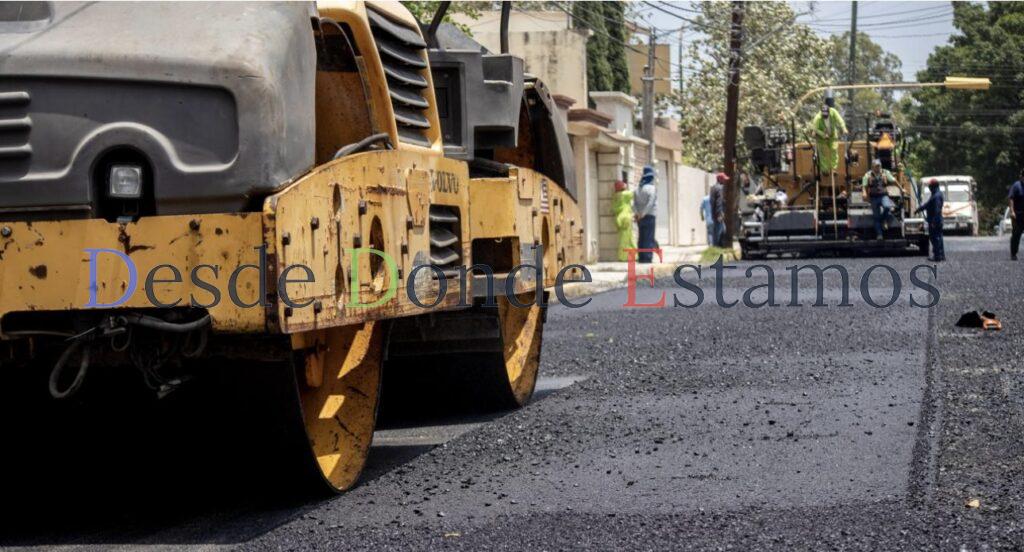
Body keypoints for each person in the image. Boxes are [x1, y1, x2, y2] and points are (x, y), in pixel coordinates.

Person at [861, 159, 897, 240]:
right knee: (876, 217)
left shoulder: (885, 172)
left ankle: (884, 220)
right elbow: (864, 185)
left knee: (887, 207)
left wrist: (901, 189)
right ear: (873, 167)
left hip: (883, 196)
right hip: (873, 198)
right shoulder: (868, 175)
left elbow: (894, 180)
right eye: (876, 166)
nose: (878, 167)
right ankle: (879, 234)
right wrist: (864, 193)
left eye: (879, 166)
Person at [807, 103, 848, 173]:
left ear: (829, 112)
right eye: (824, 115)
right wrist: (823, 135)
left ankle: (833, 168)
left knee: (834, 150)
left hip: (832, 135)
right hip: (821, 137)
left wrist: (844, 128)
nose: (825, 116)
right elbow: (815, 129)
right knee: (822, 153)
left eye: (826, 114)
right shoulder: (818, 118)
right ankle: (825, 170)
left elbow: (840, 120)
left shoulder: (833, 112)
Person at [916, 178, 945, 262]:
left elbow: (937, 210)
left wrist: (933, 221)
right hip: (935, 220)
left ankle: (937, 256)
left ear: (933, 186)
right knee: (939, 237)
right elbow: (927, 205)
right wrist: (919, 209)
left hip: (935, 220)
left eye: (930, 186)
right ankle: (941, 255)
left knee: (935, 238)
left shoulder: (936, 196)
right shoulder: (935, 194)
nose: (929, 187)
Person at [633, 166, 658, 263]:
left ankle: (641, 257)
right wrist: (643, 213)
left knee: (641, 237)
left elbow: (633, 203)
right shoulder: (652, 188)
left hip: (639, 217)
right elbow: (650, 203)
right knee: (649, 237)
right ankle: (647, 257)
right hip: (649, 215)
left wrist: (637, 214)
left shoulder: (637, 189)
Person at [611, 180, 635, 262]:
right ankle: (624, 257)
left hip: (619, 218)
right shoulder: (625, 194)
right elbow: (634, 194)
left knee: (625, 238)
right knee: (626, 239)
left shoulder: (615, 195)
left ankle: (633, 255)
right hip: (625, 218)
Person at [1008, 169, 1024, 261]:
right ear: (1021, 177)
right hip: (1018, 215)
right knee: (1016, 235)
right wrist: (1012, 211)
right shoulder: (1016, 186)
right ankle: (1013, 253)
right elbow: (1011, 198)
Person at [709, 172, 728, 247]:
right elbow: (719, 202)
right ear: (720, 179)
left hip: (714, 213)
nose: (725, 181)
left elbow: (711, 201)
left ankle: (717, 246)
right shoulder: (720, 188)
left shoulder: (713, 188)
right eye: (724, 179)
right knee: (719, 231)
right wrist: (720, 214)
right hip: (718, 214)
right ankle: (716, 247)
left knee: (721, 230)